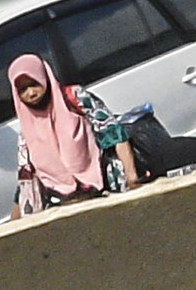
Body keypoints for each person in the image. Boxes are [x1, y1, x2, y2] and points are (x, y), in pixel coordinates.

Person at [9, 53, 137, 215]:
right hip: (67, 209)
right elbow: (26, 179)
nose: (31, 93)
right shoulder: (27, 131)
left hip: (108, 192)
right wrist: (14, 225)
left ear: (44, 78)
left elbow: (115, 135)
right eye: (23, 89)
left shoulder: (75, 98)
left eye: (34, 84)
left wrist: (132, 179)